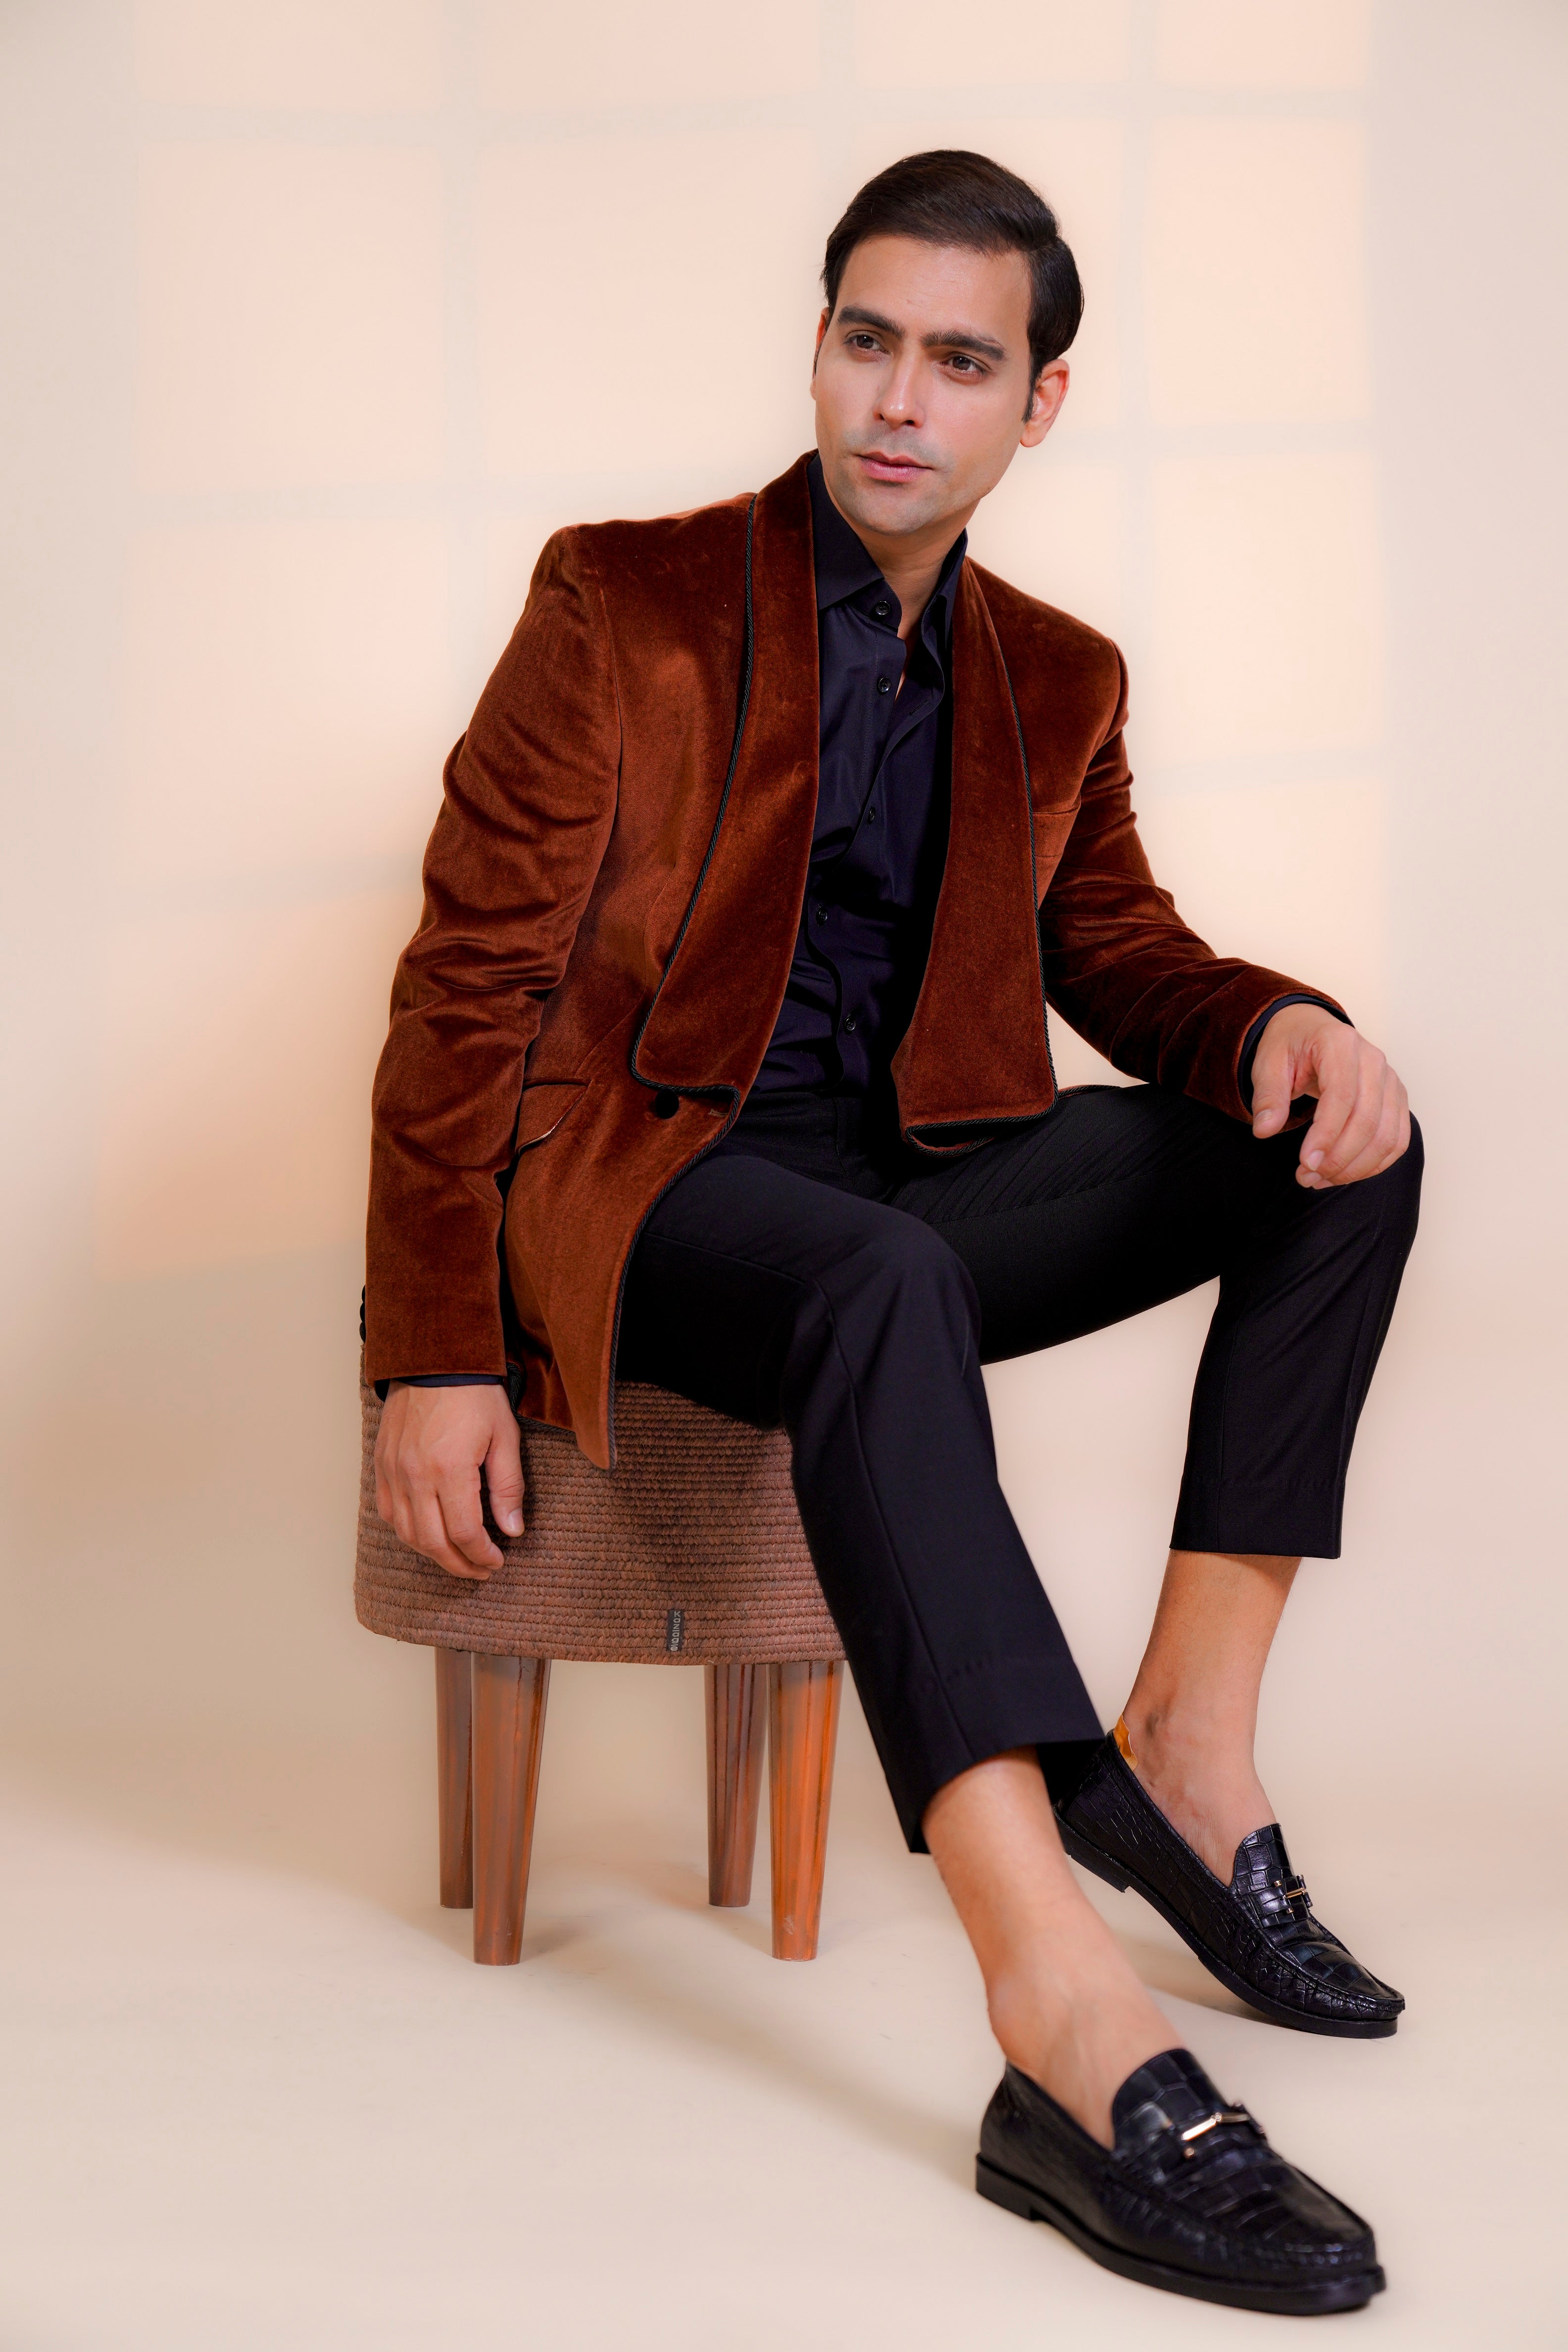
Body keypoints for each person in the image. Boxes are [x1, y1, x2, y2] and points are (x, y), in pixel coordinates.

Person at [365, 151, 1419, 2315]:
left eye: (958, 359)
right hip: (648, 1186)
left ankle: (1186, 1755)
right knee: (884, 1279)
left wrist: (1283, 1025)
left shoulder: (1061, 674)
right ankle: (1058, 2011)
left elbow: (1122, 956)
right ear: (821, 351)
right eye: (867, 341)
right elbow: (466, 985)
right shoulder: (626, 601)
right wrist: (432, 1347)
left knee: (1347, 1142)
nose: (900, 400)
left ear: (1040, 401)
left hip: (908, 1171)